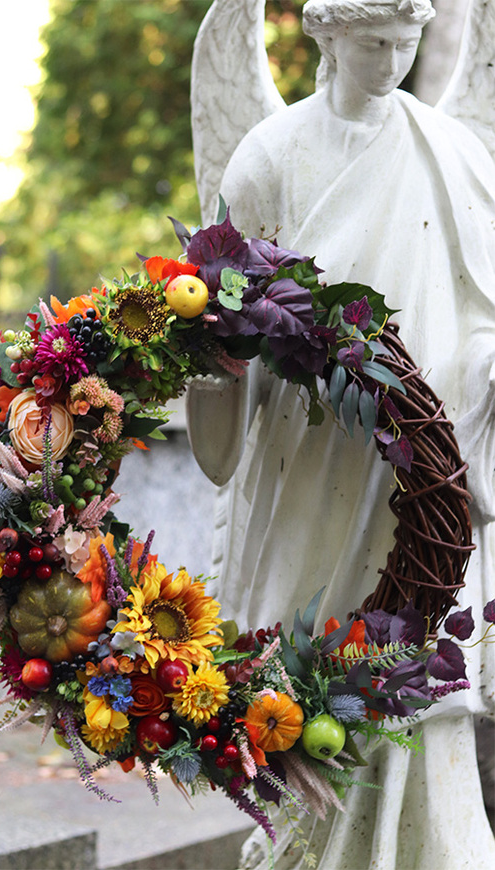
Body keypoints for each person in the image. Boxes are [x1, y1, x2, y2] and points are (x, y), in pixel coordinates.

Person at [187, 1, 495, 866]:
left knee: (416, 677)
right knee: (306, 665)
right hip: (309, 453)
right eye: (373, 45)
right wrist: (218, 377)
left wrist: (478, 375)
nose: (392, 60)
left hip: (421, 468)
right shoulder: (270, 154)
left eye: (406, 43)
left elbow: (480, 308)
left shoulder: (455, 151)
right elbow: (218, 311)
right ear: (325, 37)